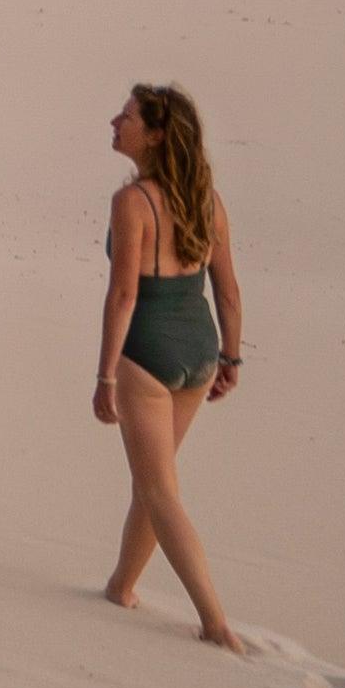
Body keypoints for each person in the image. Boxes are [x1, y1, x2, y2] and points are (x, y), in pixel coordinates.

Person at [95, 80, 245, 648]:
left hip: (147, 356)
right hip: (199, 349)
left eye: (127, 116)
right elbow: (228, 291)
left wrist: (106, 374)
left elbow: (123, 297)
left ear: (155, 135)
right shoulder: (207, 200)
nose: (115, 121)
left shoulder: (133, 203)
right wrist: (230, 356)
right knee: (151, 482)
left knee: (159, 491)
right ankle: (121, 586)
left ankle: (215, 622)